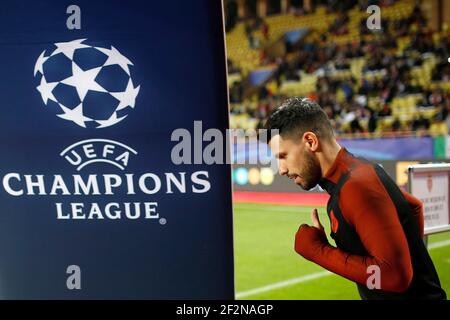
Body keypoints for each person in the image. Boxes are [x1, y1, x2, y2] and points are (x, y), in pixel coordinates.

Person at [264, 97, 446, 300]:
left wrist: (318, 251)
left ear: (310, 141)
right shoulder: (355, 171)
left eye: (283, 156)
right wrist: (413, 256)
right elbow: (413, 207)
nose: (281, 169)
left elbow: (395, 277)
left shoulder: (355, 186)